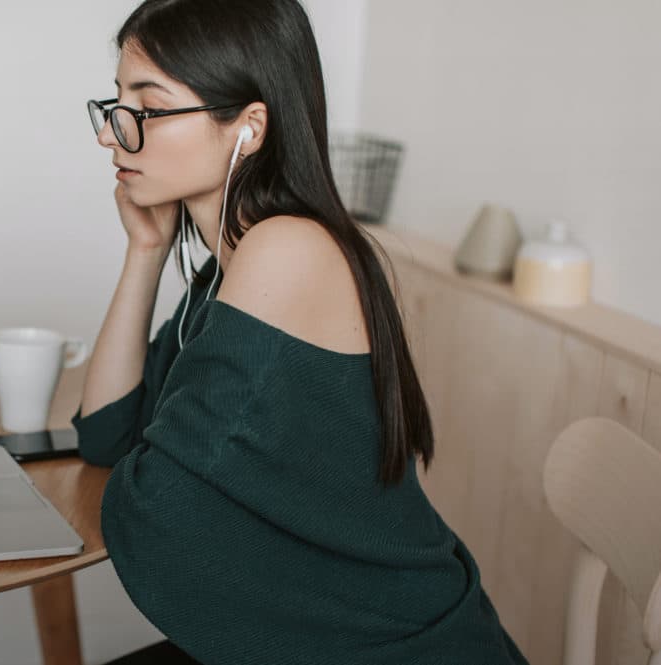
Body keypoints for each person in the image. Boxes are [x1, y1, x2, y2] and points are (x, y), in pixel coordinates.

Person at [71, 1, 529, 663]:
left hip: (400, 649)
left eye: (148, 108)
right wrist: (144, 251)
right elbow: (107, 434)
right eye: (116, 104)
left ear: (249, 127)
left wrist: (148, 466)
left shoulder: (286, 250)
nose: (113, 135)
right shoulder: (223, 269)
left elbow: (155, 506)